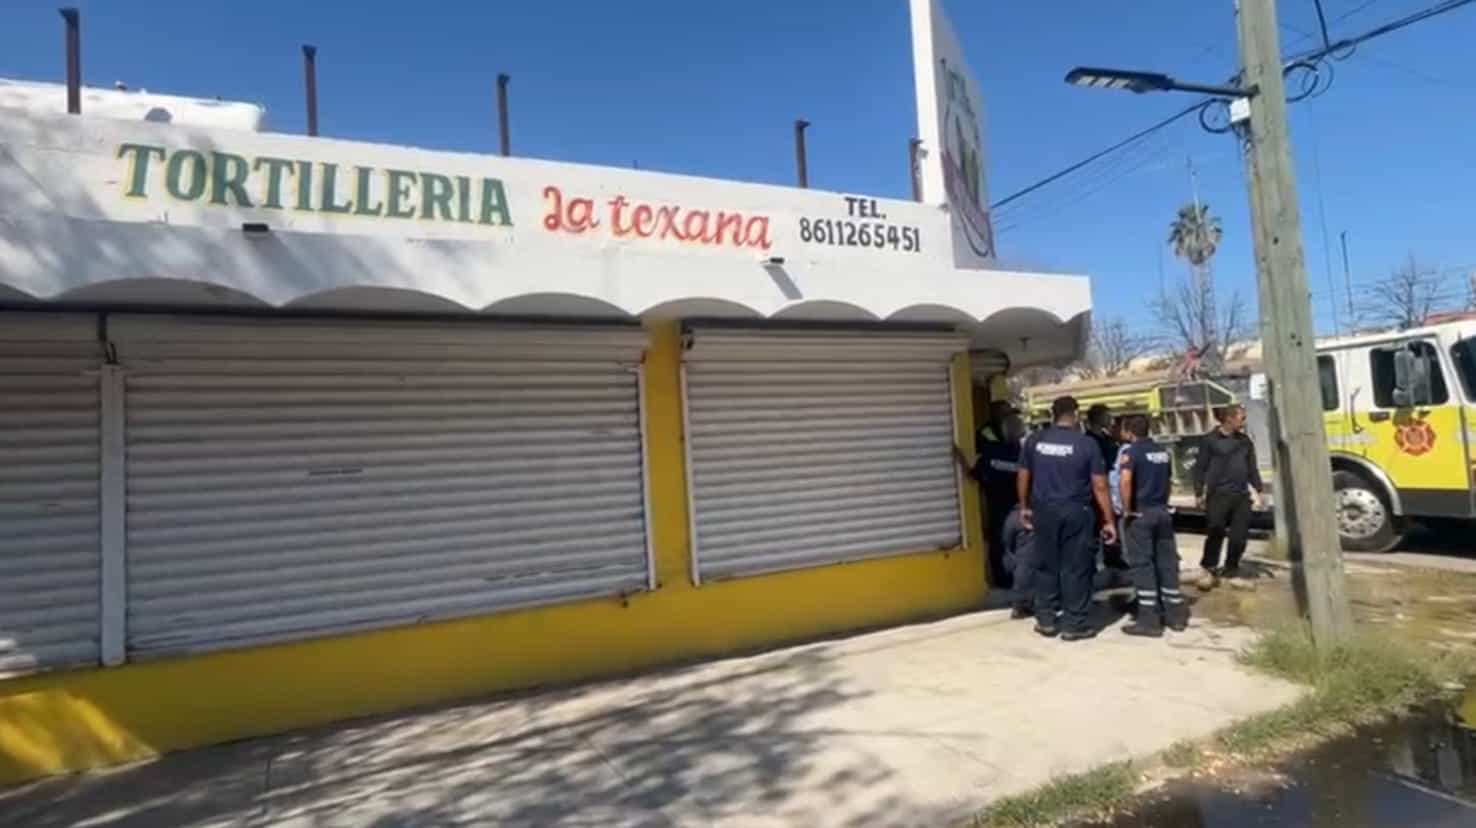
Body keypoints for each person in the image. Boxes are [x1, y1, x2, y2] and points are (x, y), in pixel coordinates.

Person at [1018, 396, 1117, 641]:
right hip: (1076, 511)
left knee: (1046, 565)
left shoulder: (1035, 441)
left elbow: (1023, 474)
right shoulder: (1086, 444)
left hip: (1044, 510)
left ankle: (1047, 620)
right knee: (1077, 567)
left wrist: (1024, 506)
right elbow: (1100, 485)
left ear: (1052, 413)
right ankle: (1075, 624)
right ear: (1076, 414)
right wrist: (1108, 519)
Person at [1117, 415, 1189, 636]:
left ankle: (1149, 619)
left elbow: (1126, 481)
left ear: (1129, 431)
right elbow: (1168, 481)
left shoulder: (1131, 453)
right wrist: (1164, 503)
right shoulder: (1162, 453)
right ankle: (1175, 615)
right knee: (1166, 563)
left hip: (1142, 514)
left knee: (1143, 565)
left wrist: (1127, 509)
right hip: (1161, 513)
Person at [1192, 404, 1264, 589]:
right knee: (1216, 530)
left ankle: (1231, 567)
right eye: (1242, 417)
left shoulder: (1245, 442)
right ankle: (1209, 566)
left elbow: (1252, 468)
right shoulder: (1210, 440)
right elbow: (1200, 468)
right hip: (1218, 495)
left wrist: (1259, 490)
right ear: (1229, 419)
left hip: (1240, 496)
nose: (1244, 421)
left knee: (1239, 536)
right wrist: (1199, 492)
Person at [975, 409, 1025, 588]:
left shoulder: (991, 453)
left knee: (1002, 548)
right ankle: (1022, 587)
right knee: (1023, 549)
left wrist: (961, 460)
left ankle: (1004, 583)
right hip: (1023, 508)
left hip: (999, 511)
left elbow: (975, 474)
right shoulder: (1026, 454)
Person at [1085, 404, 1128, 574]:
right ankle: (1099, 562)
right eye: (1106, 416)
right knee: (1099, 524)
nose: (1110, 420)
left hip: (1112, 486)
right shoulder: (1089, 441)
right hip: (1098, 487)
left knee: (1114, 522)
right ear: (1097, 418)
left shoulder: (1108, 438)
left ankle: (1114, 556)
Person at [1000, 504, 1036, 619]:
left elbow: (1006, 539)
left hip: (1021, 556)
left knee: (1022, 580)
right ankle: (1020, 607)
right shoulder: (1024, 516)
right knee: (1024, 579)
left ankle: (1021, 606)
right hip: (1025, 556)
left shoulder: (1012, 517)